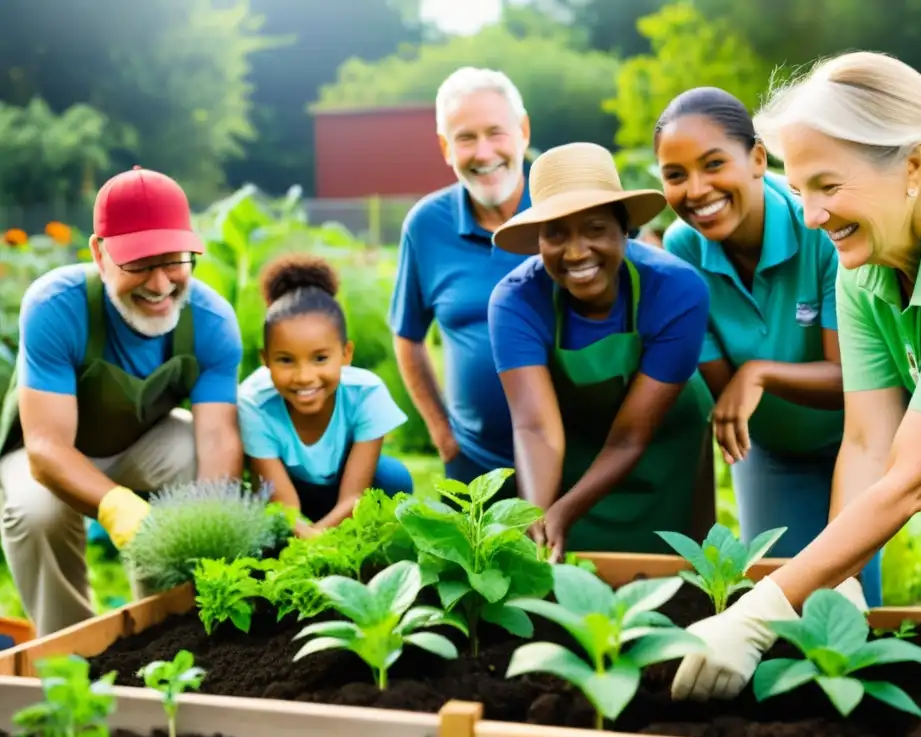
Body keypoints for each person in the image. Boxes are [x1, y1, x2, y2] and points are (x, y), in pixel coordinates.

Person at [667, 50, 921, 706]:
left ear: (913, 166)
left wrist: (758, 612)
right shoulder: (866, 260)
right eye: (798, 189)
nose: (808, 216)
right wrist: (843, 575)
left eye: (827, 186)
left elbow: (911, 482)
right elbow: (866, 442)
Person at [655, 86, 882, 607]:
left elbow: (850, 379)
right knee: (777, 597)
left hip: (857, 439)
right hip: (770, 451)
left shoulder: (822, 231)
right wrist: (742, 386)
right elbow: (725, 396)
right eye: (675, 175)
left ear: (757, 158)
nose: (697, 189)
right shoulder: (682, 249)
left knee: (850, 599)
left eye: (714, 164)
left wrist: (758, 372)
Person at [0, 166, 244, 636]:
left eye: (173, 260)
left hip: (143, 445)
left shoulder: (211, 320)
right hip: (48, 454)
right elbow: (46, 448)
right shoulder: (57, 305)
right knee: (37, 511)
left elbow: (217, 438)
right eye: (138, 263)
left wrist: (207, 528)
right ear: (99, 252)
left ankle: (166, 628)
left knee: (197, 467)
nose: (159, 285)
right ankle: (72, 652)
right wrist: (117, 508)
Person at [488, 142, 716, 561]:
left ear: (623, 227)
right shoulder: (516, 301)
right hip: (572, 447)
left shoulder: (677, 289)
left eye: (594, 229)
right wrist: (538, 516)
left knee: (678, 582)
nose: (575, 252)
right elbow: (536, 428)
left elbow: (631, 435)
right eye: (555, 233)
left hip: (665, 445)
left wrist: (566, 509)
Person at [389, 67, 532, 495]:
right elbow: (407, 336)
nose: (484, 152)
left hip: (578, 462)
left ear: (523, 131)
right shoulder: (426, 226)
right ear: (445, 147)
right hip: (475, 470)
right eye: (466, 138)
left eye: (496, 132)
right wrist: (443, 436)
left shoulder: (566, 206)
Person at [238, 255, 412, 534]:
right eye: (285, 360)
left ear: (346, 354)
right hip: (286, 496)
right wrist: (306, 543)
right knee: (262, 523)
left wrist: (316, 543)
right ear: (265, 359)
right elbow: (284, 507)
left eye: (320, 358)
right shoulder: (253, 401)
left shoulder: (367, 393)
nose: (304, 376)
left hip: (344, 494)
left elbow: (354, 498)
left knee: (392, 478)